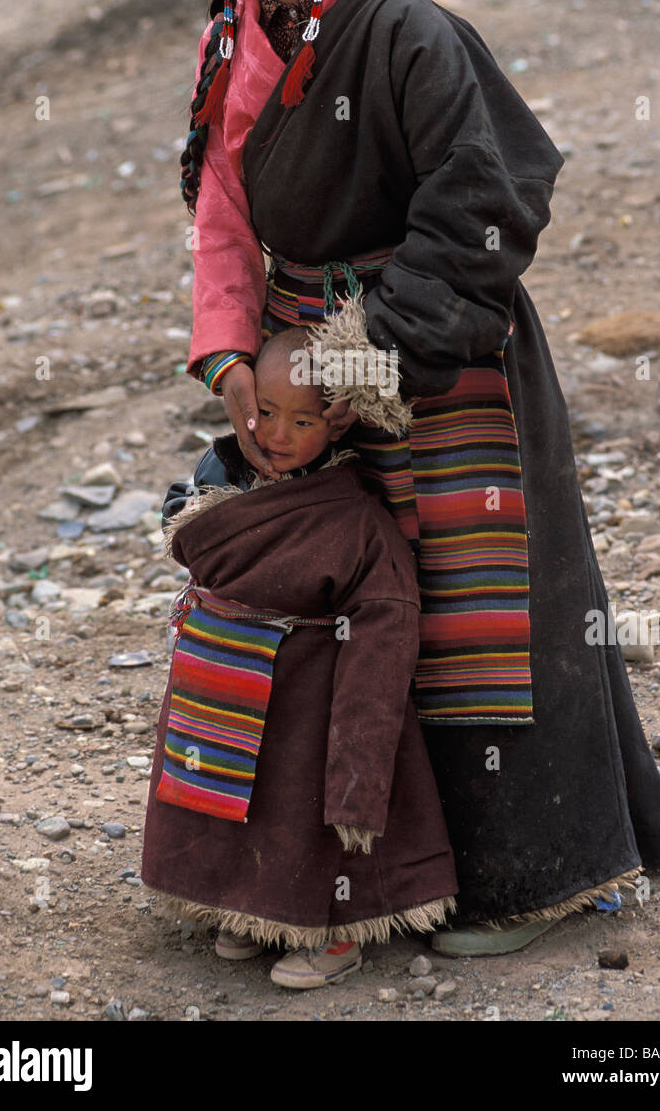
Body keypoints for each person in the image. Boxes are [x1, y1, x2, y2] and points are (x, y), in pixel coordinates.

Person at [174, 0, 660, 956]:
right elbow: (219, 211)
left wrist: (373, 349)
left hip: (441, 355)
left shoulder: (400, 25)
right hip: (303, 365)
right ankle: (358, 878)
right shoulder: (231, 31)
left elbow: (491, 193)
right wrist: (232, 357)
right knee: (337, 605)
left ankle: (521, 879)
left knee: (468, 611)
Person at [142, 322, 458, 988]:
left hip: (309, 705)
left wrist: (360, 767)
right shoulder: (221, 475)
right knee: (234, 798)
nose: (277, 436)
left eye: (304, 420)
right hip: (224, 687)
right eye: (266, 413)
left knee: (299, 807)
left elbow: (382, 640)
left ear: (339, 423)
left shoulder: (355, 522)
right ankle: (248, 906)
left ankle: (336, 935)